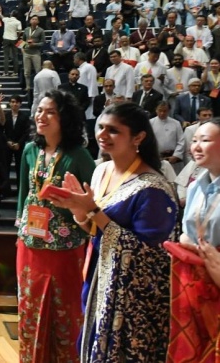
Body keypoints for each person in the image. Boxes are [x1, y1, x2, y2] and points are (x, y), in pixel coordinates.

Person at [49, 102, 178, 362]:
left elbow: (151, 257)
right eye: (100, 128)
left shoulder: (153, 189)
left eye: (113, 130)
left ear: (138, 137)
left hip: (131, 302)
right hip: (98, 279)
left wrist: (93, 210)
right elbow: (94, 231)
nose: (102, 135)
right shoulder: (101, 171)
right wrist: (78, 210)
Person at [16, 89, 96, 363]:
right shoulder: (30, 149)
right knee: (30, 309)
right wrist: (20, 221)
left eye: (50, 111)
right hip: (29, 245)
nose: (42, 116)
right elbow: (25, 192)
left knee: (65, 310)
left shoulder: (80, 156)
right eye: (40, 110)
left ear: (65, 118)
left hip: (65, 248)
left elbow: (93, 199)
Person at [168, 117, 220, 361]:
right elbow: (188, 228)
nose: (196, 146)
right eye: (195, 140)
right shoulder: (196, 185)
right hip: (194, 277)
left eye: (205, 140)